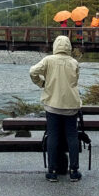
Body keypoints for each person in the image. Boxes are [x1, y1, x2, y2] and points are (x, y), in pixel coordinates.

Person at [29, 35, 82, 182]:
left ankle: (52, 171)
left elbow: (32, 71)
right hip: (71, 105)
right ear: (69, 47)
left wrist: (42, 83)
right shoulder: (74, 62)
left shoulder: (48, 60)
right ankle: (74, 171)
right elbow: (75, 81)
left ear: (55, 46)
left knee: (53, 136)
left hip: (52, 104)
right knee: (72, 136)